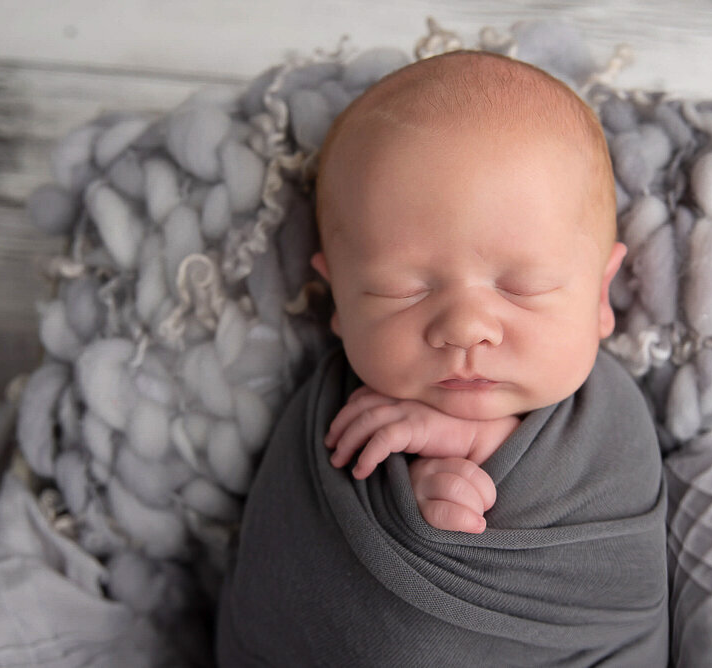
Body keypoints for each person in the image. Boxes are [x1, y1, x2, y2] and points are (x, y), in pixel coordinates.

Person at [216, 50, 668, 666]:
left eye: (523, 288)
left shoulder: (611, 422)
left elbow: (613, 572)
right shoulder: (324, 421)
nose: (465, 329)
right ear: (339, 299)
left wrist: (466, 438)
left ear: (600, 295)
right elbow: (294, 585)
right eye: (402, 290)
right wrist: (407, 496)